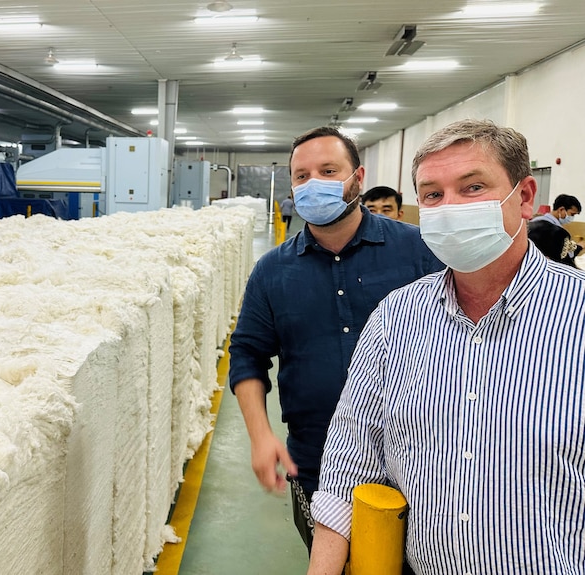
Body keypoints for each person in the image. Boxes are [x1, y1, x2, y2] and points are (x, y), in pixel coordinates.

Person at [309, 119, 585, 574]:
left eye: (473, 187)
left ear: (525, 195)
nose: (450, 207)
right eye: (433, 195)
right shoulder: (396, 318)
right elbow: (348, 464)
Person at [227, 126, 444, 554]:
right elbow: (247, 353)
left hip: (423, 459)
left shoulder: (420, 250)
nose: (313, 184)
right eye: (302, 176)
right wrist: (259, 434)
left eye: (328, 171)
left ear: (357, 177)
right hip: (317, 460)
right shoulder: (272, 270)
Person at [528, 193, 583, 265]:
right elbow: (564, 260)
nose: (572, 218)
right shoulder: (558, 232)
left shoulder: (534, 222)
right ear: (561, 209)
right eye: (572, 214)